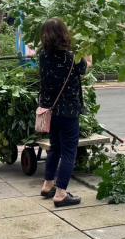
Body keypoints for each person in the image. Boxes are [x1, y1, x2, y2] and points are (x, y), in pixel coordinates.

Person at [38, 18, 91, 207]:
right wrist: (86, 53)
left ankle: (47, 184)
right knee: (69, 151)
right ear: (64, 34)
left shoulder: (43, 56)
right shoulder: (71, 57)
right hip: (68, 111)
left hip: (49, 111)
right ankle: (61, 194)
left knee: (55, 147)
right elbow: (85, 68)